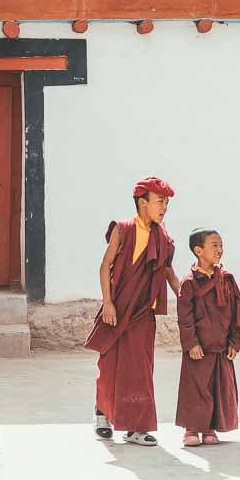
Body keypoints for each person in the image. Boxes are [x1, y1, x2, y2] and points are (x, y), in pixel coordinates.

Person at [84, 176, 180, 446]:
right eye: (160, 202)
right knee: (110, 366)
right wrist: (108, 303)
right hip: (117, 311)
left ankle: (137, 427)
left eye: (167, 203)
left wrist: (185, 297)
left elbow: (169, 273)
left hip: (142, 315)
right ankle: (102, 414)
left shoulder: (163, 238)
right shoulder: (123, 230)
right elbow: (105, 267)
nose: (164, 208)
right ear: (142, 202)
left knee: (140, 370)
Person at [176, 228, 240, 446]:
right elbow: (185, 317)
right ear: (198, 250)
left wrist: (235, 341)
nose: (219, 250)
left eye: (221, 245)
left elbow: (239, 312)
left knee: (217, 389)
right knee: (196, 389)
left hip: (221, 346)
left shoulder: (226, 279)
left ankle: (209, 429)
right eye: (214, 245)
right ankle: (191, 429)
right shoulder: (189, 282)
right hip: (199, 348)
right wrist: (191, 343)